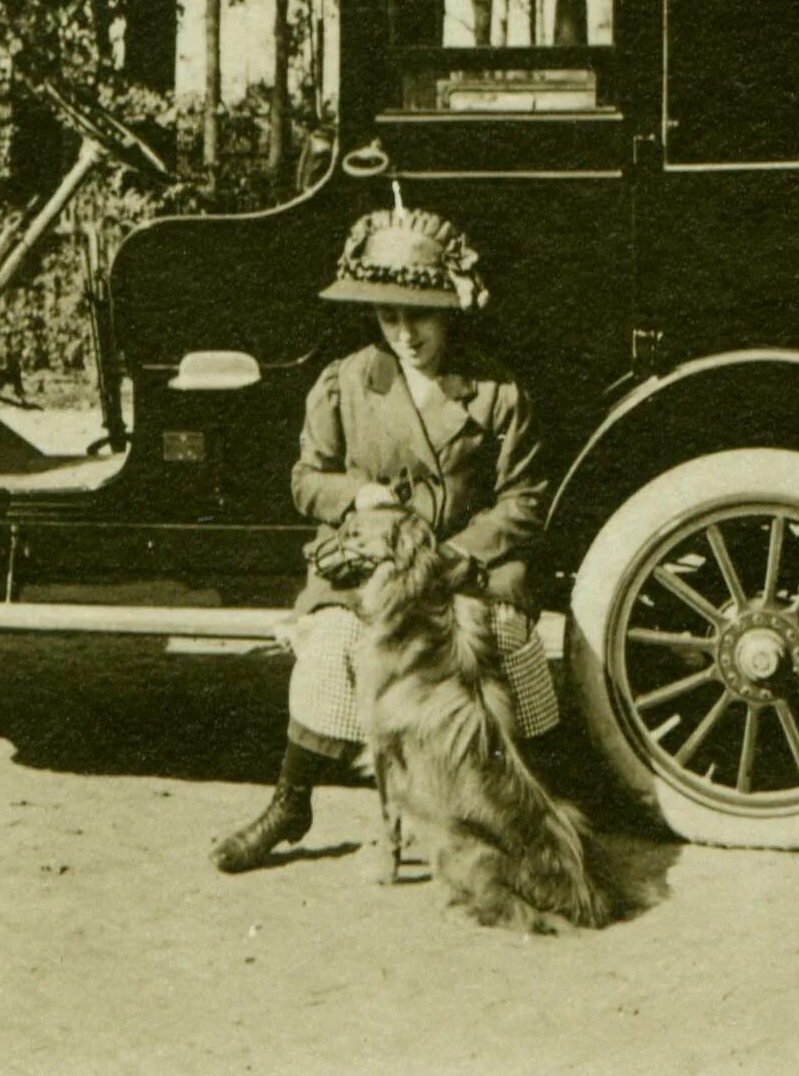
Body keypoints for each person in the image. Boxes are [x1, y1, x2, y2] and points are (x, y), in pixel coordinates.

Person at [210, 197, 559, 872]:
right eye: (388, 316)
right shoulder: (346, 382)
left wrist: (458, 553)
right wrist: (354, 494)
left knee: (506, 643)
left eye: (419, 316)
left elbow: (526, 498)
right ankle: (290, 798)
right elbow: (305, 479)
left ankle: (526, 799)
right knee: (334, 646)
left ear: (449, 311)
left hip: (463, 568)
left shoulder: (493, 391)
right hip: (369, 574)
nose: (405, 333)